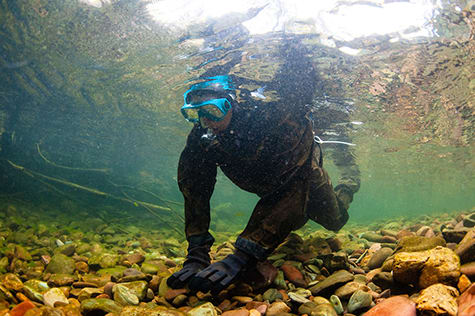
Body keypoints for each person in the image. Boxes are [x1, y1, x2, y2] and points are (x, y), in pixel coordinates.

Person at [167, 39, 360, 294]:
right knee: (292, 215)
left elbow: (294, 184)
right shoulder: (201, 137)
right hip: (266, 184)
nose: (205, 121)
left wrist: (243, 255)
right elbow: (194, 189)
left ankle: (348, 184)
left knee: (333, 220)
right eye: (195, 113)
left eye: (213, 110)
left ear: (231, 103)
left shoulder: (280, 121)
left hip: (305, 177)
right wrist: (197, 252)